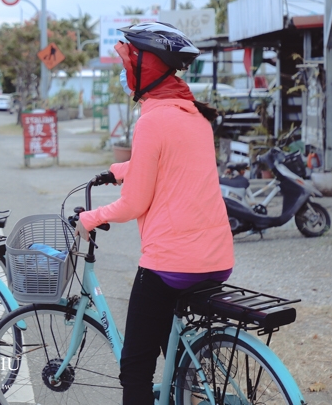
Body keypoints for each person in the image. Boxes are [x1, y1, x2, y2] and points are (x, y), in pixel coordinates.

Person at [76, 22, 234, 405]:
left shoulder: (152, 121)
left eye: (128, 63)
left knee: (135, 368)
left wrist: (90, 218)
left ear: (145, 70)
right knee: (179, 357)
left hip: (170, 266)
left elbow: (133, 205)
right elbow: (171, 163)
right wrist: (120, 170)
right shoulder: (195, 116)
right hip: (216, 259)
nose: (124, 72)